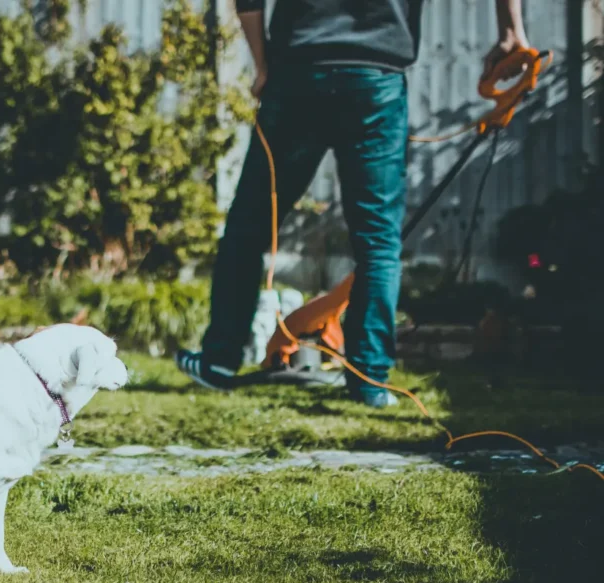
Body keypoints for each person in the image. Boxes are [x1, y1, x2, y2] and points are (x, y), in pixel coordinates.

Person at [176, 0, 530, 407]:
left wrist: (262, 65)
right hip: (375, 77)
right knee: (378, 242)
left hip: (299, 73)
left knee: (249, 225)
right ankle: (369, 383)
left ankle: (219, 362)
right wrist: (510, 30)